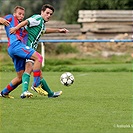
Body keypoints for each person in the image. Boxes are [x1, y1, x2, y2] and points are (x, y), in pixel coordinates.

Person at [10, 4, 69, 98]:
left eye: (51, 14)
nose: (49, 15)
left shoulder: (41, 23)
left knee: (36, 72)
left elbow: (44, 30)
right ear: (42, 12)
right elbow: (26, 22)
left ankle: (48, 93)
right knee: (32, 65)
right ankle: (34, 86)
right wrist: (16, 28)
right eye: (47, 13)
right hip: (27, 47)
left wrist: (58, 30)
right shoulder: (37, 18)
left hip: (30, 48)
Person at [0, 6, 47, 99]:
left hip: (14, 49)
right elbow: (2, 20)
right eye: (19, 14)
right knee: (38, 57)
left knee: (20, 77)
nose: (21, 16)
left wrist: (58, 30)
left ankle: (3, 93)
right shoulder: (10, 18)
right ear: (14, 14)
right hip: (16, 45)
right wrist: (1, 20)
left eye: (23, 15)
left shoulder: (22, 26)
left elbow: (42, 31)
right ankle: (36, 84)